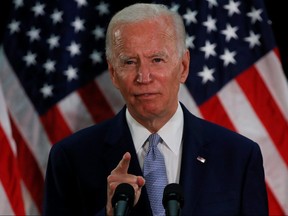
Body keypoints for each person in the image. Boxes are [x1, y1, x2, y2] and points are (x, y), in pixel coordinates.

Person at [42, 3, 268, 216]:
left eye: (157, 59)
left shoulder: (238, 157)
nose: (144, 77)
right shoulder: (71, 158)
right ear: (113, 73)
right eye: (129, 62)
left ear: (183, 66)